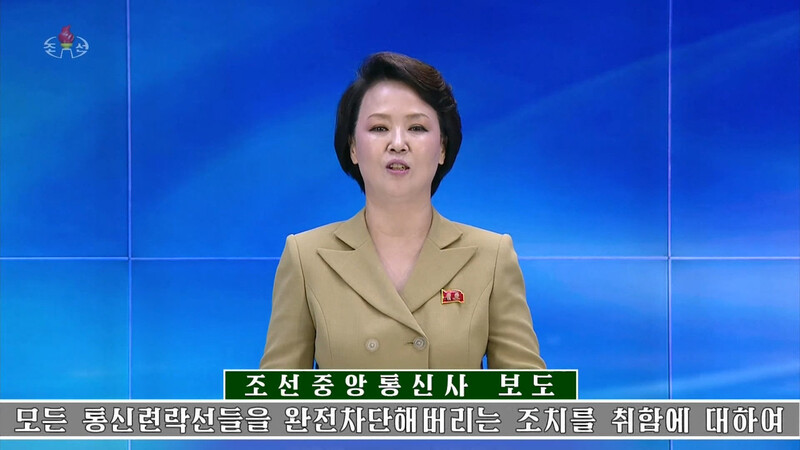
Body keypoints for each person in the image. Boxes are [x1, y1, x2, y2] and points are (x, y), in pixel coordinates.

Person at [260, 52, 545, 369]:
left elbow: (526, 391)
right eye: (379, 128)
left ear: (442, 147)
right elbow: (278, 394)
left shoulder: (491, 257)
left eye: (417, 128)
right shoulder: (305, 257)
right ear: (353, 147)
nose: (398, 143)